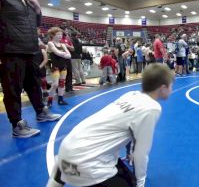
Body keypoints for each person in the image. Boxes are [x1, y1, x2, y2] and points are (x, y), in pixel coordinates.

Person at [46, 64, 175, 187]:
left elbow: (130, 130)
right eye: (171, 86)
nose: (172, 89)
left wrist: (130, 152)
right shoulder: (152, 108)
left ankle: (60, 173)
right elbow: (141, 154)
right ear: (162, 88)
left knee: (119, 170)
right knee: (130, 182)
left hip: (66, 150)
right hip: (85, 164)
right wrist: (140, 182)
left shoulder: (131, 95)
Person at [0, 0, 61, 138]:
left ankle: (41, 112)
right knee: (13, 90)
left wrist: (38, 10)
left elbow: (35, 24)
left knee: (34, 85)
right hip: (10, 51)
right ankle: (17, 125)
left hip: (30, 50)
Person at [47, 27, 71, 107]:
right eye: (58, 34)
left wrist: (62, 53)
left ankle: (60, 99)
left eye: (61, 34)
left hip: (63, 66)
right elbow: (57, 53)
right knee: (55, 84)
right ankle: (49, 100)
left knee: (61, 84)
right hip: (55, 67)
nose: (60, 36)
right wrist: (64, 53)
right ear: (53, 35)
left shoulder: (63, 45)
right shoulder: (50, 43)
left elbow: (69, 56)